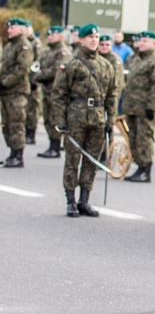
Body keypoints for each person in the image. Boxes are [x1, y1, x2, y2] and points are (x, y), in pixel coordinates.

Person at [51, 24, 117, 217]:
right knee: (73, 159)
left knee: (92, 160)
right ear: (81, 39)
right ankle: (70, 200)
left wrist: (110, 120)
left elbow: (112, 95)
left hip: (97, 119)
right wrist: (60, 120)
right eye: (90, 37)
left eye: (96, 37)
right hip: (76, 118)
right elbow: (58, 94)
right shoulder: (71, 64)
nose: (94, 40)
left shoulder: (107, 66)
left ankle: (84, 200)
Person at [122, 31, 155, 183]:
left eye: (146, 41)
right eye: (141, 41)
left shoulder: (154, 61)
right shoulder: (134, 59)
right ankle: (139, 165)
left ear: (154, 43)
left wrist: (152, 106)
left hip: (144, 107)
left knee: (144, 139)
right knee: (133, 138)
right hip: (131, 106)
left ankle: (146, 169)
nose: (142, 43)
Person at [1, 19, 33, 167]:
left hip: (17, 92)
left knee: (17, 123)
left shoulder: (23, 45)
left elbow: (22, 69)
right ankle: (12, 153)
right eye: (9, 28)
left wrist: (5, 82)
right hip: (6, 92)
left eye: (12, 28)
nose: (9, 30)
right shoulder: (9, 46)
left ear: (20, 29)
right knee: (7, 124)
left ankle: (18, 156)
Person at [36, 26, 71, 158]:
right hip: (46, 90)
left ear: (60, 36)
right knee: (46, 119)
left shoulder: (62, 52)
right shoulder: (46, 52)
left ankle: (55, 146)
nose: (50, 37)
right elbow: (40, 66)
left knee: (54, 119)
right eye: (49, 35)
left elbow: (57, 70)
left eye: (53, 35)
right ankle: (51, 144)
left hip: (56, 91)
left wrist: (40, 76)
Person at [25, 23, 43, 145]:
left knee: (32, 109)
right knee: (26, 109)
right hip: (25, 82)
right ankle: (27, 132)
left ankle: (31, 134)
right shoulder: (24, 43)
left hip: (33, 82)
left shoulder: (35, 44)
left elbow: (37, 63)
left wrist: (34, 80)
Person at [97, 35, 125, 105]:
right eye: (102, 44)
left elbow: (118, 82)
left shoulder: (115, 60)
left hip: (109, 96)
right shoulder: (95, 58)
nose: (104, 47)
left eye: (107, 45)